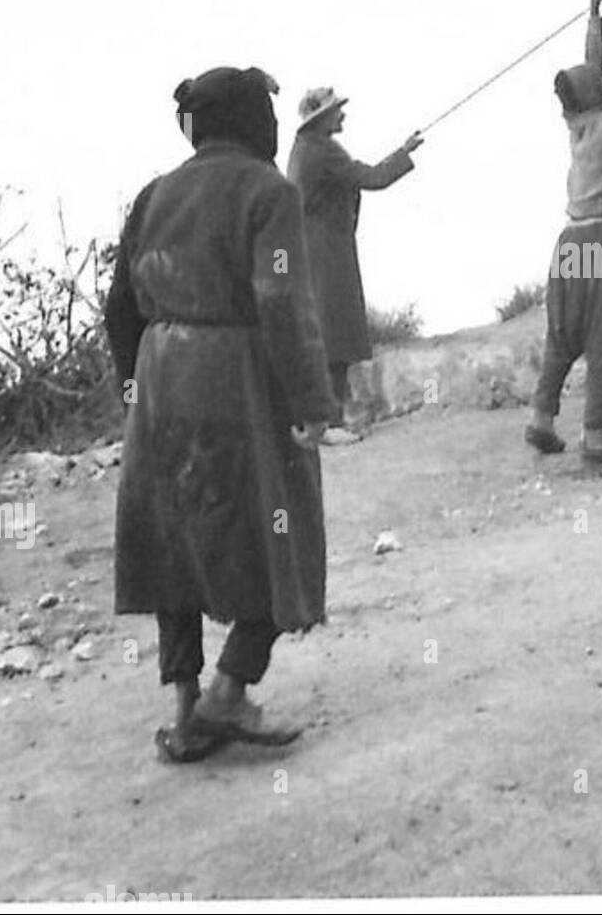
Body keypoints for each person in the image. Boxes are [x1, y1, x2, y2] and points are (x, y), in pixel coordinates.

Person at [104, 66, 337, 763]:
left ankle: (184, 710)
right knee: (281, 526)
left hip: (158, 377)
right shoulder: (268, 191)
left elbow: (119, 308)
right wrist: (312, 402)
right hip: (237, 380)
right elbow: (281, 300)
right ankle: (230, 691)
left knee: (174, 539)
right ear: (253, 121)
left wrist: (134, 391)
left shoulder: (153, 195)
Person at [525, 0, 602, 463]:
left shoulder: (577, 125)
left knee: (563, 335)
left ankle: (542, 417)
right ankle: (596, 431)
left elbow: (587, 70)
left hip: (569, 240)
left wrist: (594, 15)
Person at [286, 90, 423, 443]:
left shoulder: (306, 148)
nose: (342, 116)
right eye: (337, 112)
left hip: (316, 248)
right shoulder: (322, 149)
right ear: (321, 118)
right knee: (333, 336)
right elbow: (373, 177)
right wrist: (404, 153)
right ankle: (329, 422)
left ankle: (331, 416)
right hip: (326, 251)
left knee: (330, 333)